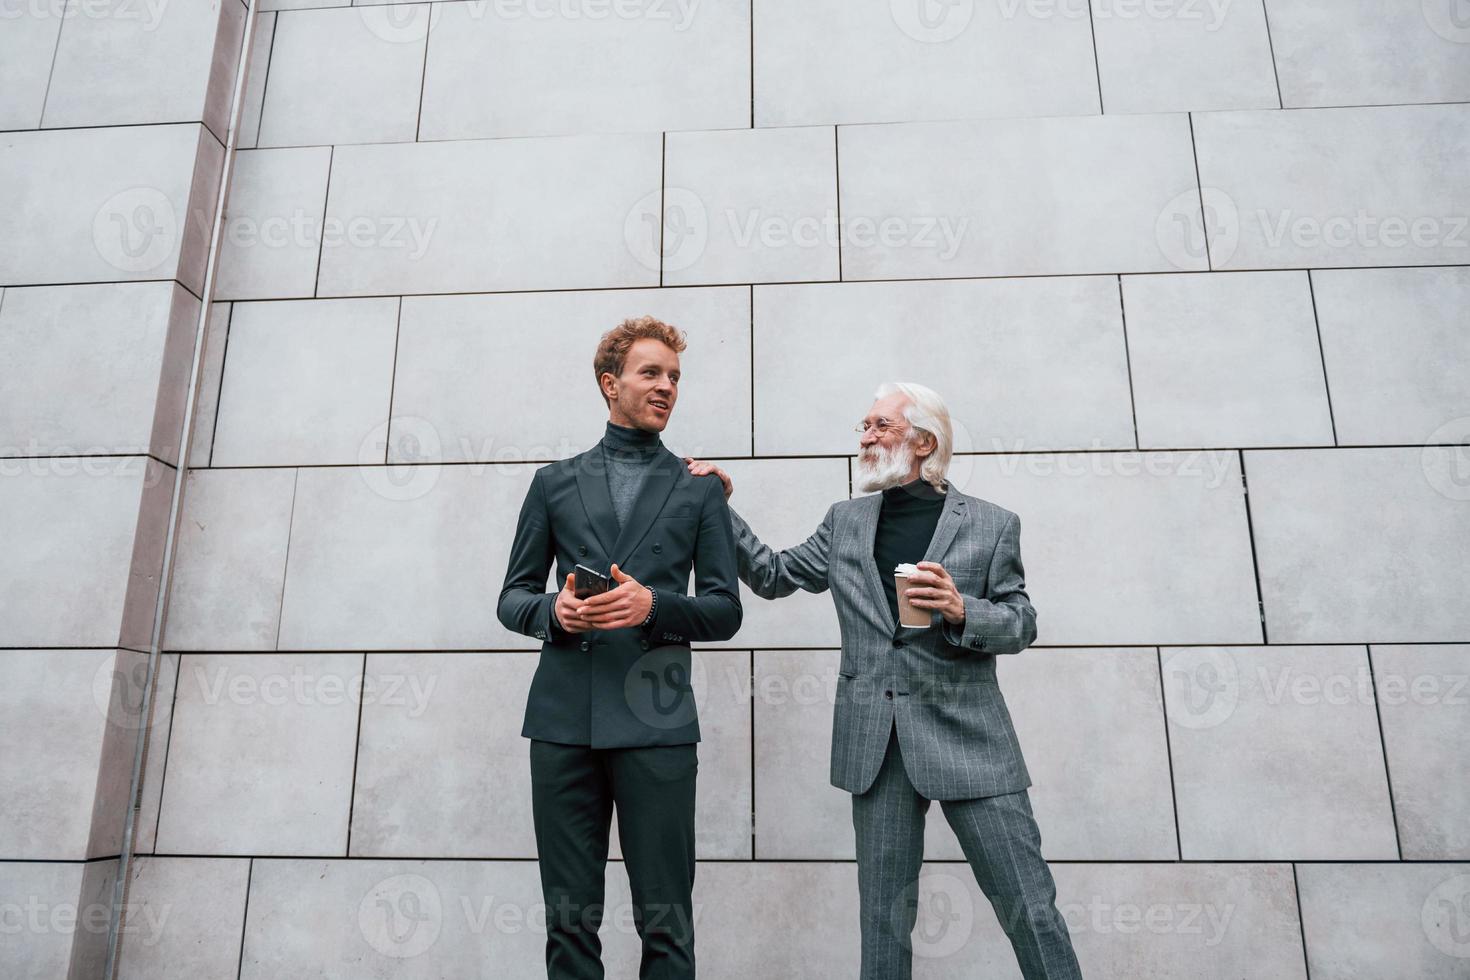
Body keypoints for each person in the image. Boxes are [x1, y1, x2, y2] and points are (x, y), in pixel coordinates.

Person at [685, 381, 1082, 979]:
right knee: (884, 921)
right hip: (877, 747)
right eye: (863, 427)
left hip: (972, 741)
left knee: (1030, 907)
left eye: (880, 426)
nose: (865, 437)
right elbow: (773, 574)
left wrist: (961, 608)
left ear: (924, 441)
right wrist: (716, 504)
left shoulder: (993, 525)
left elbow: (1022, 624)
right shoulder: (845, 520)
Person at [499, 315, 742, 980]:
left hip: (657, 721)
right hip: (562, 720)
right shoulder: (553, 483)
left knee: (667, 921)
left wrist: (655, 605)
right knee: (569, 920)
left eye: (675, 377)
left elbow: (725, 611)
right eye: (651, 373)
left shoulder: (699, 488)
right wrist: (557, 610)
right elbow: (513, 597)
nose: (667, 387)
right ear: (611, 383)